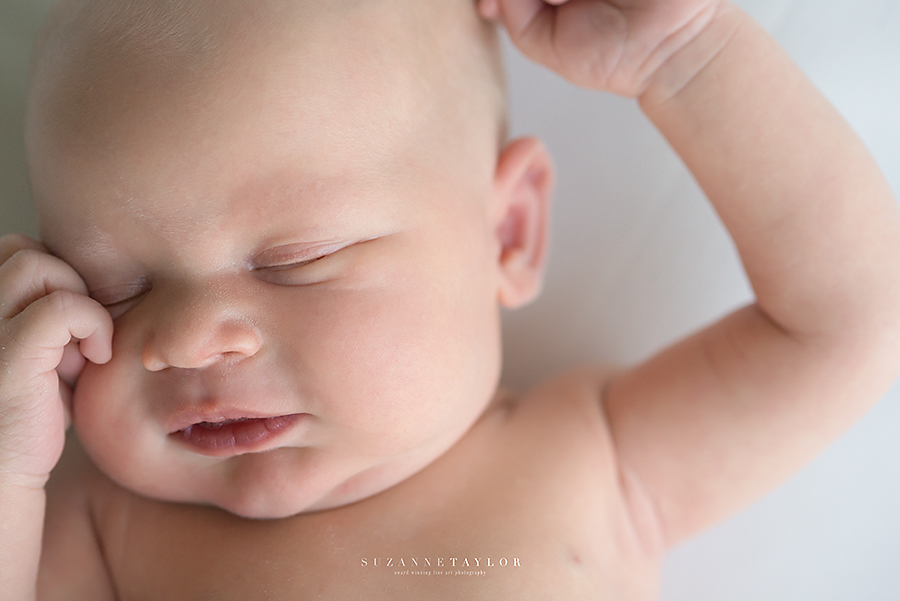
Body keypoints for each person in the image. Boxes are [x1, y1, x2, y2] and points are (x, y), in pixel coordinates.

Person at [2, 0, 899, 597]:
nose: (188, 339)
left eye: (296, 258)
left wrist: (686, 58)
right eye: (116, 290)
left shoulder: (590, 459)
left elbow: (848, 322)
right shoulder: (96, 525)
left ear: (507, 234)